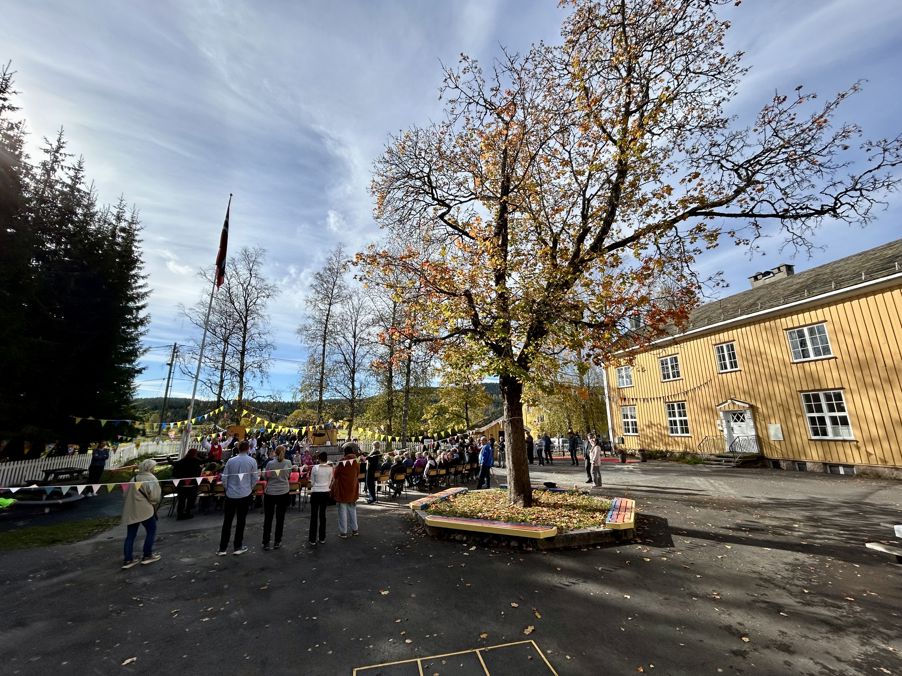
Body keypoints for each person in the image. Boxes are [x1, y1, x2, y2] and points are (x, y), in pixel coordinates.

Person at [218, 440, 258, 556]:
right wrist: (249, 488)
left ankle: (222, 548)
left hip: (231, 494)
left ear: (238, 448)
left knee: (227, 522)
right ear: (248, 449)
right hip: (244, 494)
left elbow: (224, 478)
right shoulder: (252, 461)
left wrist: (227, 489)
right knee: (241, 521)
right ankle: (237, 546)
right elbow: (255, 478)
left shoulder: (231, 461)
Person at [121, 459, 162, 568]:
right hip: (145, 510)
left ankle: (128, 560)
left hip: (132, 510)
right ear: (150, 468)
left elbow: (125, 495)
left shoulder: (133, 478)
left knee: (130, 536)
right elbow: (155, 497)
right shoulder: (152, 479)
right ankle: (147, 555)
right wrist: (152, 504)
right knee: (151, 531)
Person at [261, 444, 292, 550]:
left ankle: (266, 542)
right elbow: (288, 475)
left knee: (268, 518)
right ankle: (277, 541)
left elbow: (266, 476)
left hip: (271, 492)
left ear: (275, 452)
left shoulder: (270, 463)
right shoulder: (288, 463)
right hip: (283, 491)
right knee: (280, 518)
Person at [332, 442, 360, 538]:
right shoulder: (356, 461)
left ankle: (343, 532)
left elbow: (335, 475)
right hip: (352, 488)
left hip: (343, 489)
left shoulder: (342, 462)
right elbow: (357, 473)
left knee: (342, 511)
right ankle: (355, 529)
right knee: (352, 509)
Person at [308, 451, 333, 545]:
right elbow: (330, 481)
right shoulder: (330, 468)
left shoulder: (315, 468)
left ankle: (312, 539)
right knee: (323, 515)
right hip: (325, 492)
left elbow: (312, 482)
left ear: (319, 459)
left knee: (314, 516)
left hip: (316, 492)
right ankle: (322, 537)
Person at [171, 448, 203, 520]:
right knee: (190, 499)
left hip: (180, 484)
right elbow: (198, 473)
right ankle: (187, 512)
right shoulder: (195, 462)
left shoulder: (181, 462)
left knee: (181, 500)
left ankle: (180, 514)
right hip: (191, 484)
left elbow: (174, 472)